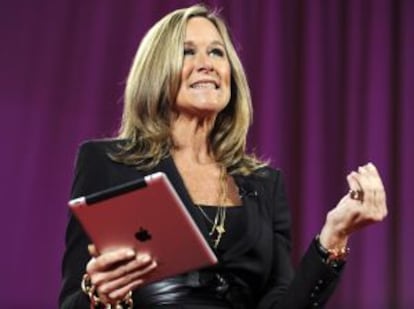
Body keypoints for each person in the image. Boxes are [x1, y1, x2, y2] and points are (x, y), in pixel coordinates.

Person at [59, 4, 387, 309]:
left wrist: (334, 235)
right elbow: (73, 297)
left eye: (217, 52)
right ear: (157, 72)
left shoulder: (265, 184)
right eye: (187, 52)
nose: (208, 63)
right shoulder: (108, 163)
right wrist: (99, 294)